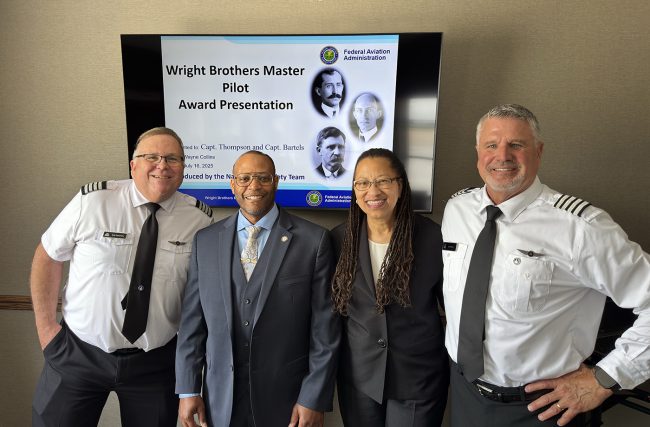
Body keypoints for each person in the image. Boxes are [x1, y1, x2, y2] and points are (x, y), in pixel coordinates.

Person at [442, 104, 650, 426]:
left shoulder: (581, 228)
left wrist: (606, 377)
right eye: (492, 145)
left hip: (544, 410)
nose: (503, 156)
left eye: (517, 145)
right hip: (465, 395)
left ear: (538, 152)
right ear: (478, 153)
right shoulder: (457, 209)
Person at [30, 127, 213, 427]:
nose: (162, 165)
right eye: (151, 156)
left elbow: (199, 297)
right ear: (133, 165)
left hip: (155, 362)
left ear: (183, 166)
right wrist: (46, 329)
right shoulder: (93, 201)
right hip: (78, 353)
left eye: (172, 158)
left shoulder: (199, 219)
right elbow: (48, 255)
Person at [175, 150, 340, 427]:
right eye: (245, 178)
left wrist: (313, 397)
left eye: (263, 178)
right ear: (232, 184)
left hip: (287, 401)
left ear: (276, 181)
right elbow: (192, 323)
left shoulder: (314, 241)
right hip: (220, 398)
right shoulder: (205, 241)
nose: (254, 186)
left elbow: (325, 330)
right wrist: (189, 388)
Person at [331, 148, 449, 426]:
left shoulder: (433, 238)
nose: (373, 191)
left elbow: (452, 309)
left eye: (383, 181)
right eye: (362, 183)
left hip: (418, 379)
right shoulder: (339, 240)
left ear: (400, 185)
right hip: (359, 380)